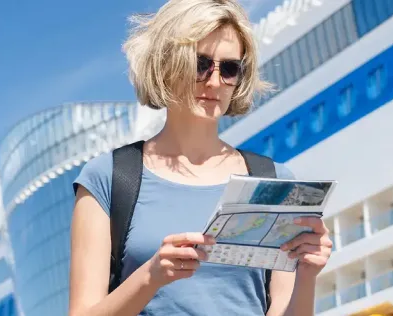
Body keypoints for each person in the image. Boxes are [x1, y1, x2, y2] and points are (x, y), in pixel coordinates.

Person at [67, 0, 333, 315]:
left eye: (230, 68)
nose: (215, 81)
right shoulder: (109, 177)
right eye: (200, 64)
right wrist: (149, 277)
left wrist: (307, 275)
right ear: (166, 65)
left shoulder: (275, 180)